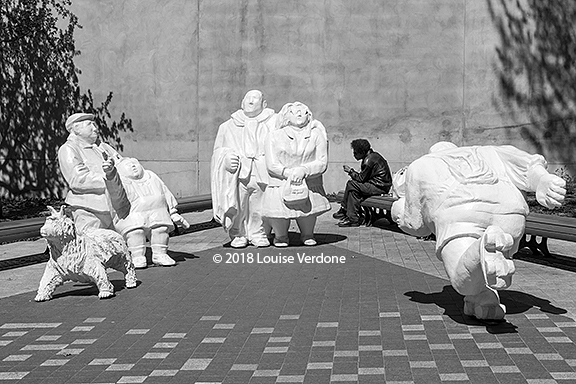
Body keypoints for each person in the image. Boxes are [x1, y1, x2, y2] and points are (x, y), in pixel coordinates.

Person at [391, 142, 566, 320]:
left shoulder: (421, 164)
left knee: (464, 282)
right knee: (482, 272)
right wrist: (542, 181)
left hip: (461, 215)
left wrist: (398, 212)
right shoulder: (487, 151)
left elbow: (416, 225)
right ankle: (485, 301)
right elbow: (525, 164)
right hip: (511, 215)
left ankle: (483, 248)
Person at [211, 90, 276, 248]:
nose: (251, 101)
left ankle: (258, 232)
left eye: (255, 98)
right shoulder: (227, 126)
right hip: (239, 174)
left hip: (262, 172)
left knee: (259, 205)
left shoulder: (274, 122)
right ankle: (237, 232)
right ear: (241, 103)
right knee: (238, 205)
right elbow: (217, 150)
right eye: (248, 97)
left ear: (264, 104)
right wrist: (225, 159)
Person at [262, 101, 330, 247]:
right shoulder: (274, 136)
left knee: (307, 211)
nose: (300, 114)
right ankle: (280, 236)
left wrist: (304, 170)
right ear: (286, 116)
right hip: (280, 182)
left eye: (304, 111)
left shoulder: (316, 135)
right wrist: (288, 173)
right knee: (279, 212)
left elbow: (322, 161)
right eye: (294, 112)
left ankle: (307, 234)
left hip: (309, 182)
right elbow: (271, 164)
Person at [103, 157, 190, 268]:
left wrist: (173, 212)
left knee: (161, 229)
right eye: (128, 165)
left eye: (134, 163)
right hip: (133, 215)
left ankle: (160, 254)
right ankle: (137, 256)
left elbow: (165, 192)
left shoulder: (151, 176)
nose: (133, 166)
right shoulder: (121, 181)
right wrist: (111, 174)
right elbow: (115, 192)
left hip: (158, 213)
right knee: (136, 232)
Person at [58, 112, 124, 235]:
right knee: (94, 246)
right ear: (77, 129)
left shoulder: (103, 147)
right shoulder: (68, 149)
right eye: (90, 125)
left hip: (114, 206)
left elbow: (122, 164)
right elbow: (78, 179)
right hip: (89, 210)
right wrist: (111, 179)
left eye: (94, 125)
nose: (95, 128)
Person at [333, 139, 393, 227]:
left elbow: (361, 179)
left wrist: (350, 171)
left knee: (351, 184)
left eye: (356, 152)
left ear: (362, 151)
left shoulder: (369, 160)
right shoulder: (372, 156)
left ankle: (344, 209)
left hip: (379, 187)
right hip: (377, 185)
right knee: (353, 192)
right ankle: (353, 219)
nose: (354, 154)